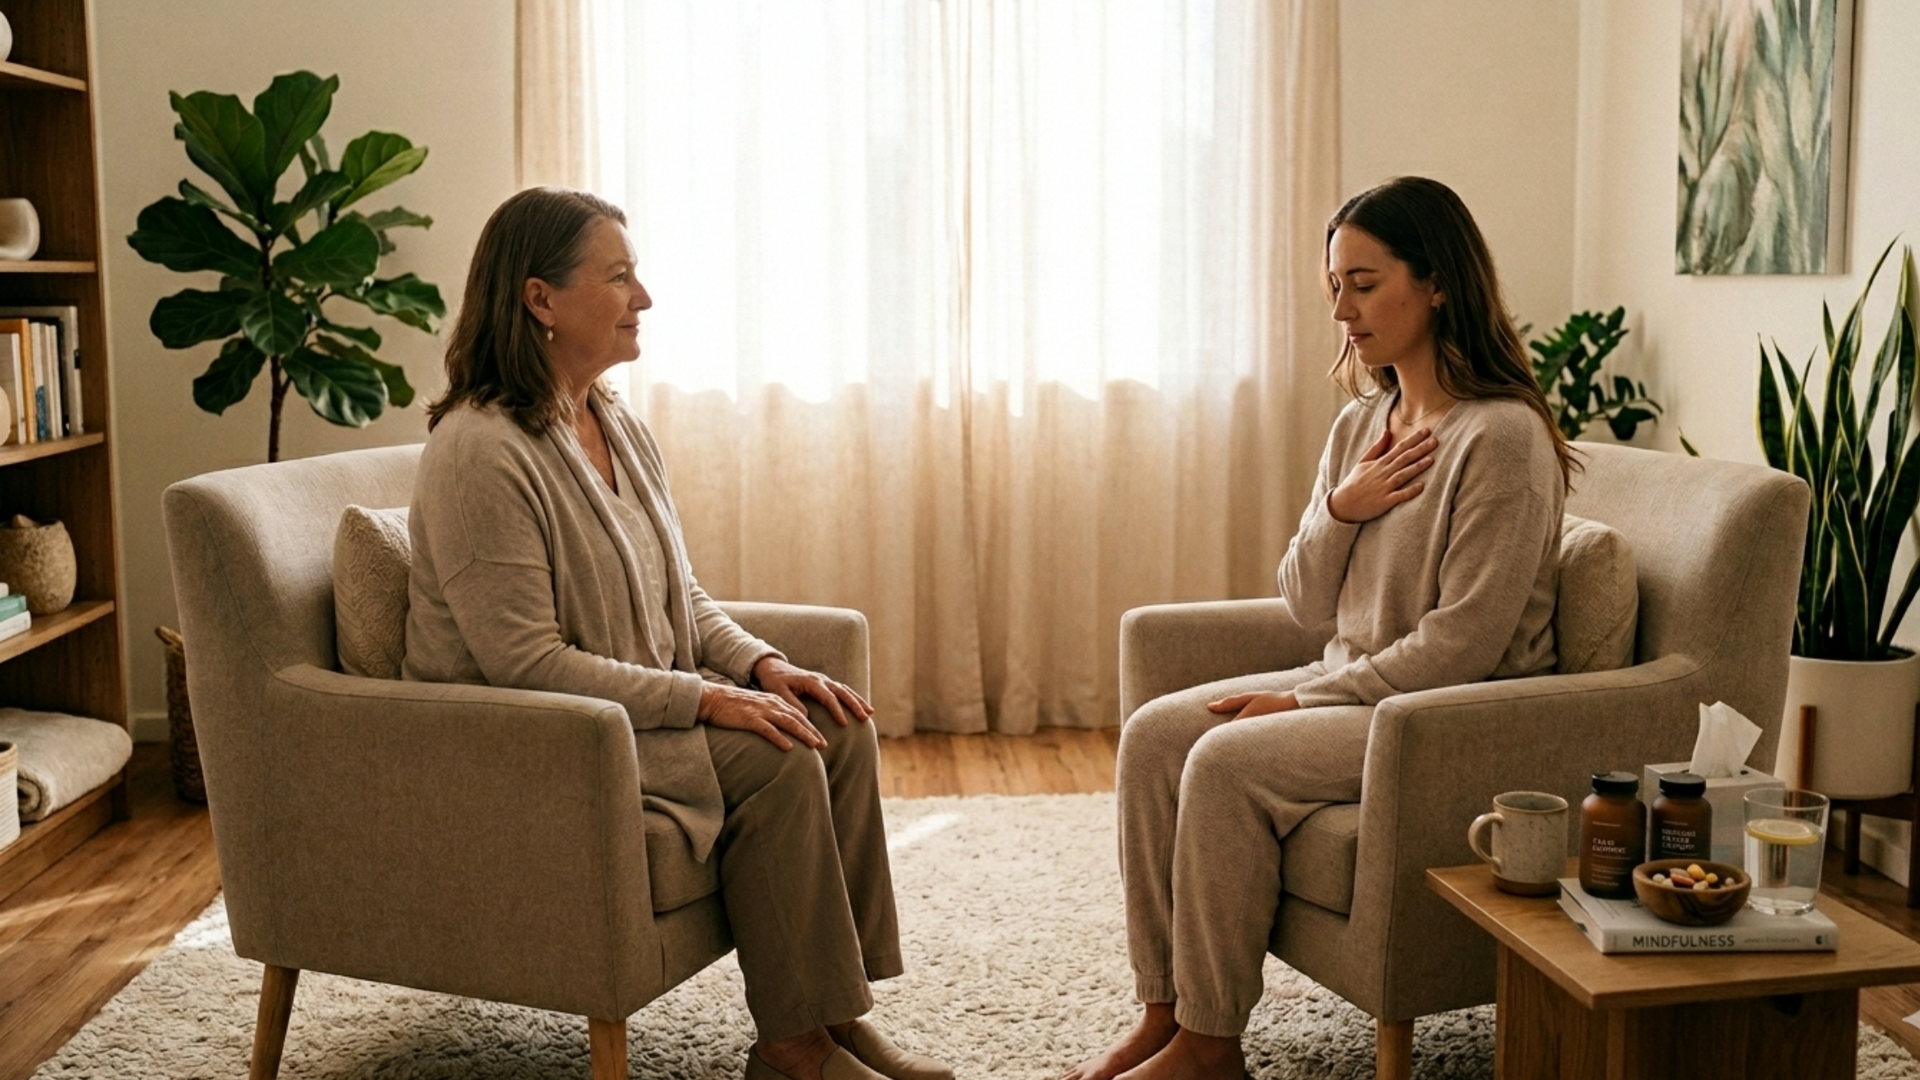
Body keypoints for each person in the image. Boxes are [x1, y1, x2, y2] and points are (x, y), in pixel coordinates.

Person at [404, 187, 952, 1080]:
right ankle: (792, 1050)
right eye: (618, 277)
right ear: (539, 299)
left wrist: (761, 665)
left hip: (621, 716)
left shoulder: (613, 421)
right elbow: (524, 662)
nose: (643, 298)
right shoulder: (479, 450)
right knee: (776, 758)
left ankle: (838, 1015)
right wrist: (707, 699)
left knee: (837, 725)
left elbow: (679, 596)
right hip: (529, 740)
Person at [1065, 176, 1576, 1080]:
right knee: (1152, 739)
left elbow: (1464, 645)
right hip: (1358, 691)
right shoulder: (1360, 424)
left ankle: (1212, 1049)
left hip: (1442, 715)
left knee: (1222, 759)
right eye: (1333, 284)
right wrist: (1343, 507)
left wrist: (1298, 695)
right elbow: (1305, 602)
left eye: (1365, 282)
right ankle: (1165, 1012)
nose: (1342, 308)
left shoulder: (1502, 439)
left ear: (1438, 282)